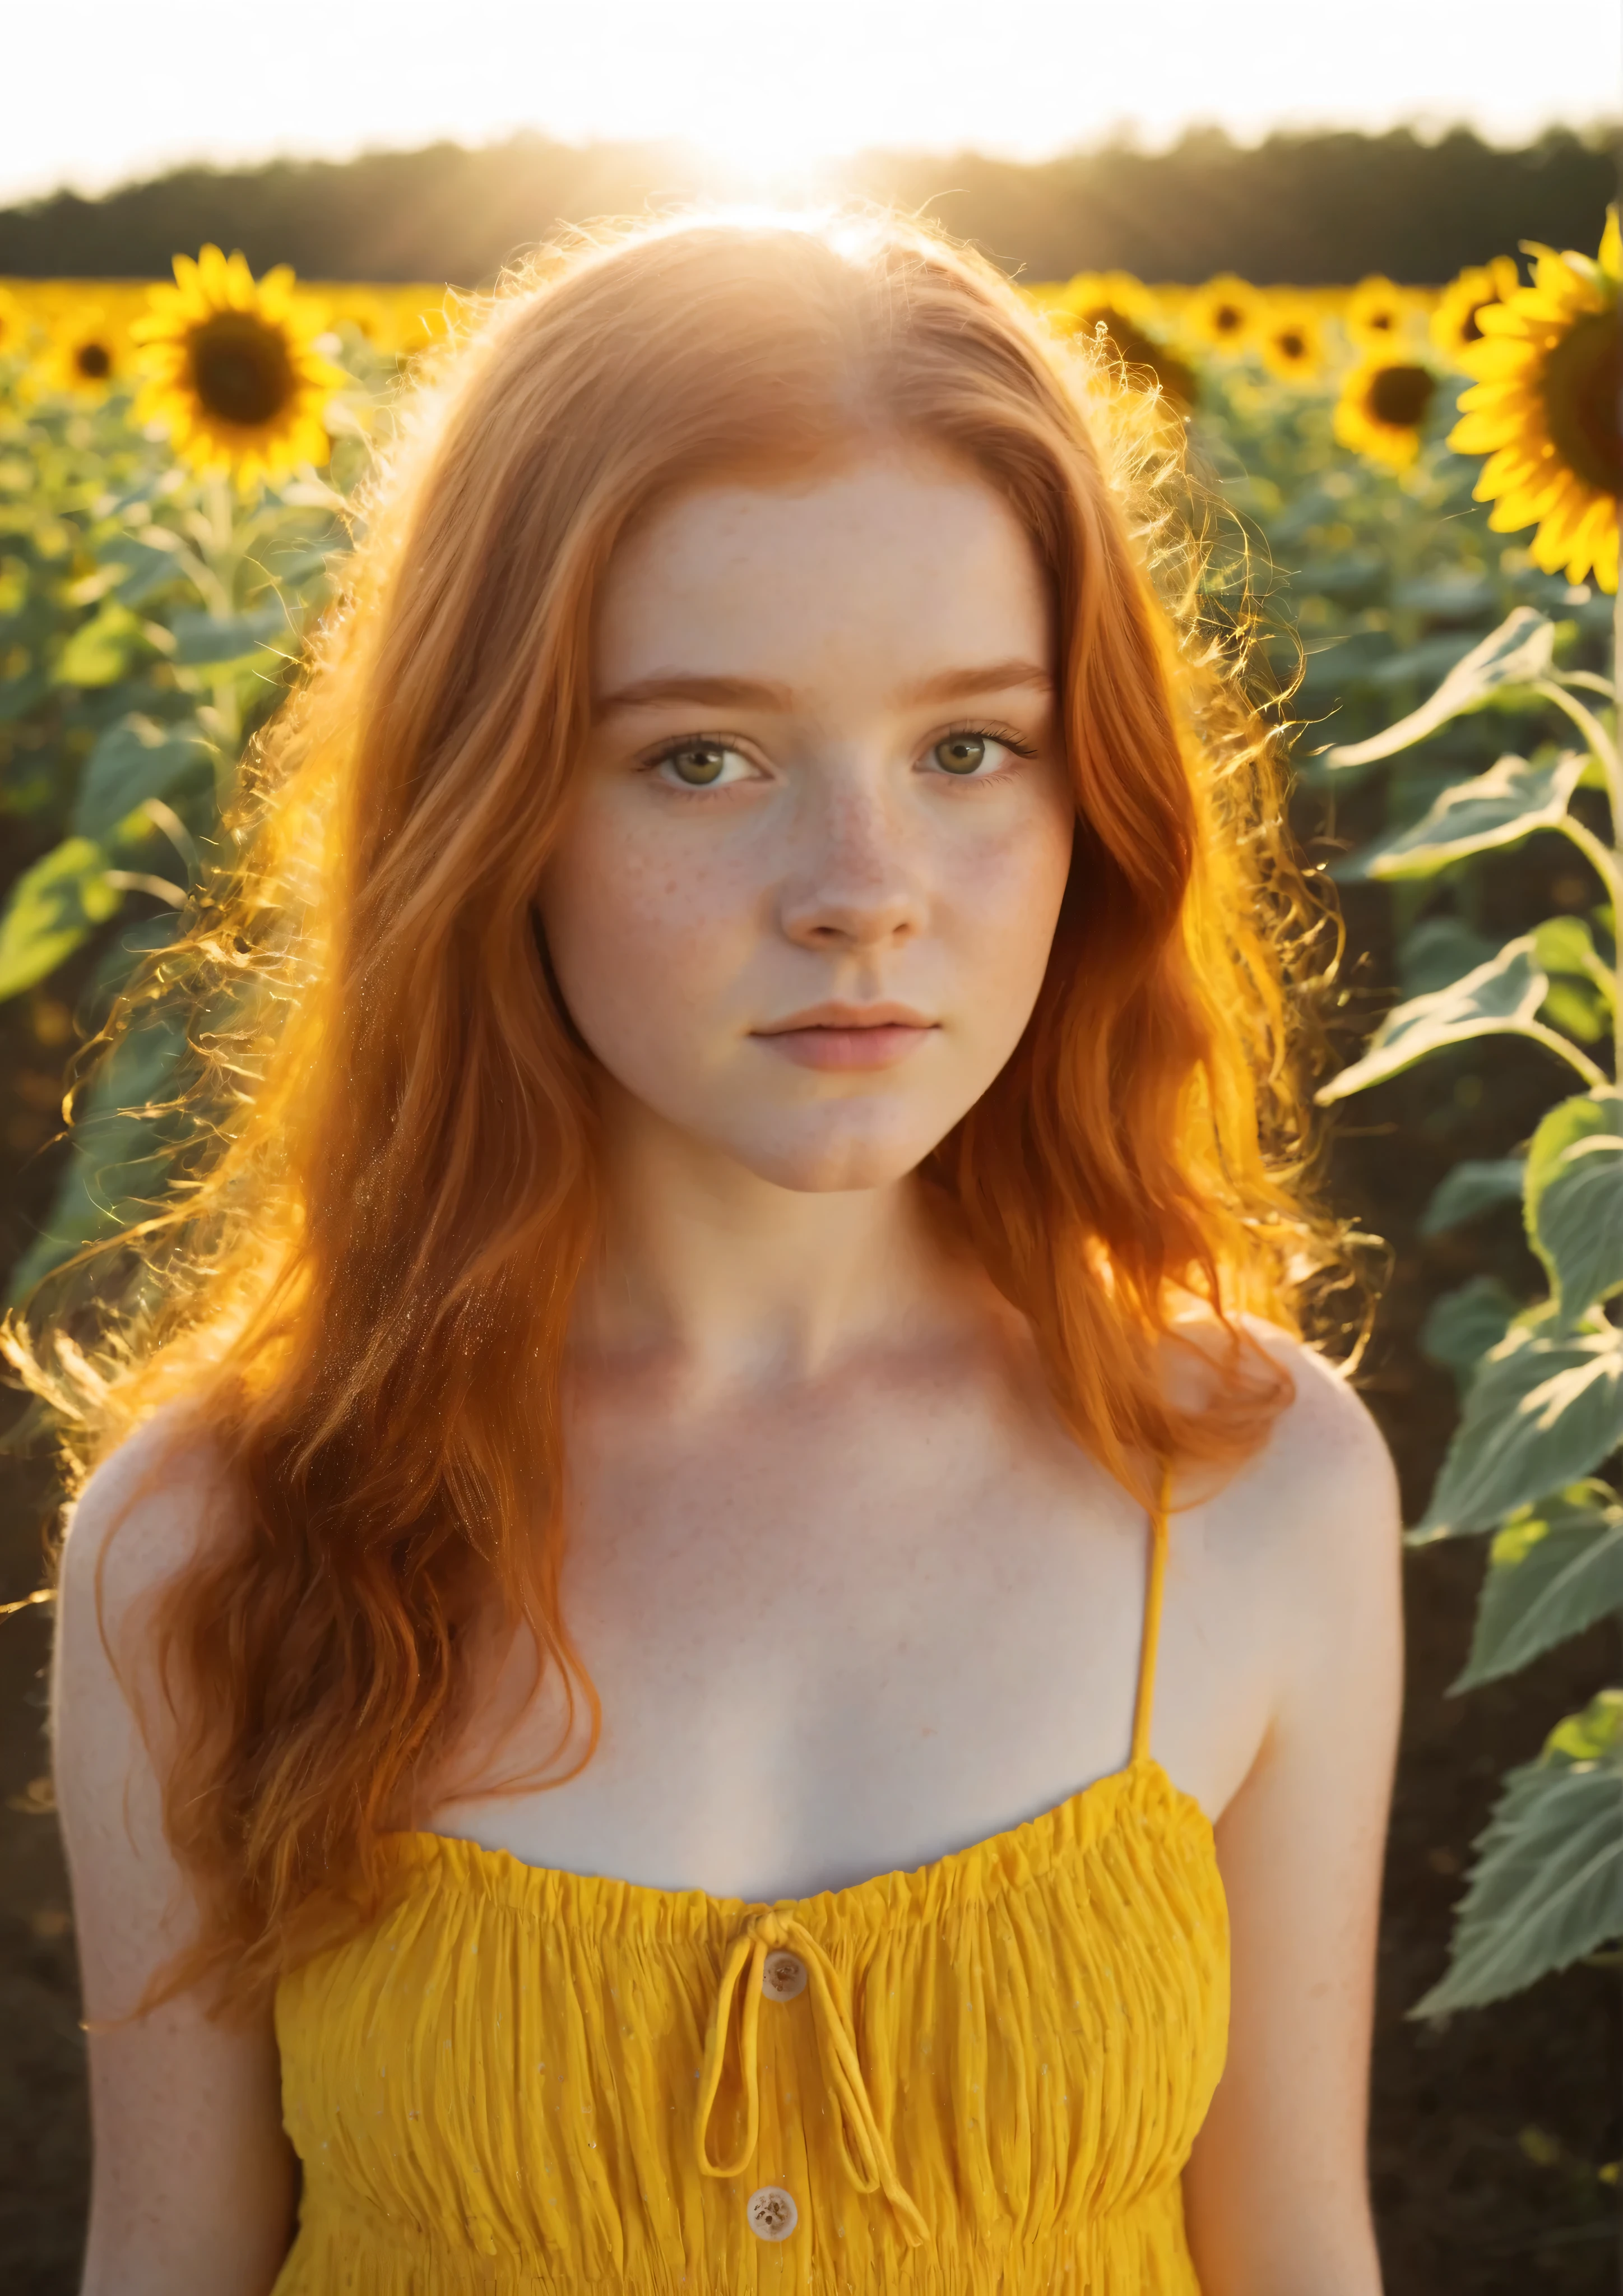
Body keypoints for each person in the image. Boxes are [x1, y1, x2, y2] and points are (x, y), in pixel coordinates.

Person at [29, 211, 1402, 2296]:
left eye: (969, 748)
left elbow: (1299, 2249)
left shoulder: (1247, 1481)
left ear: (1094, 797)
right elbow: (173, 2261)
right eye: (703, 756)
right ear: (493, 807)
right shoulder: (215, 1539)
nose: (862, 891)